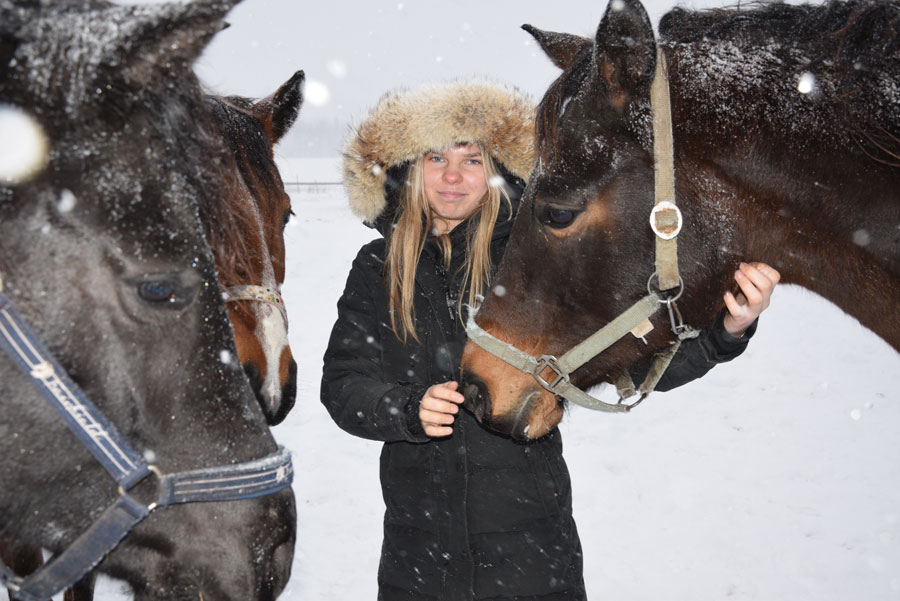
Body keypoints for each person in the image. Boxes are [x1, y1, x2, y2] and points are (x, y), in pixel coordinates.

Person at [321, 80, 780, 601]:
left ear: (494, 173)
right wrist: (405, 410)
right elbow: (342, 385)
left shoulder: (534, 259)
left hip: (533, 554)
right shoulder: (377, 268)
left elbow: (623, 365)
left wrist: (725, 332)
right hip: (418, 559)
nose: (452, 176)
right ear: (409, 168)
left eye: (472, 160)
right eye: (435, 158)